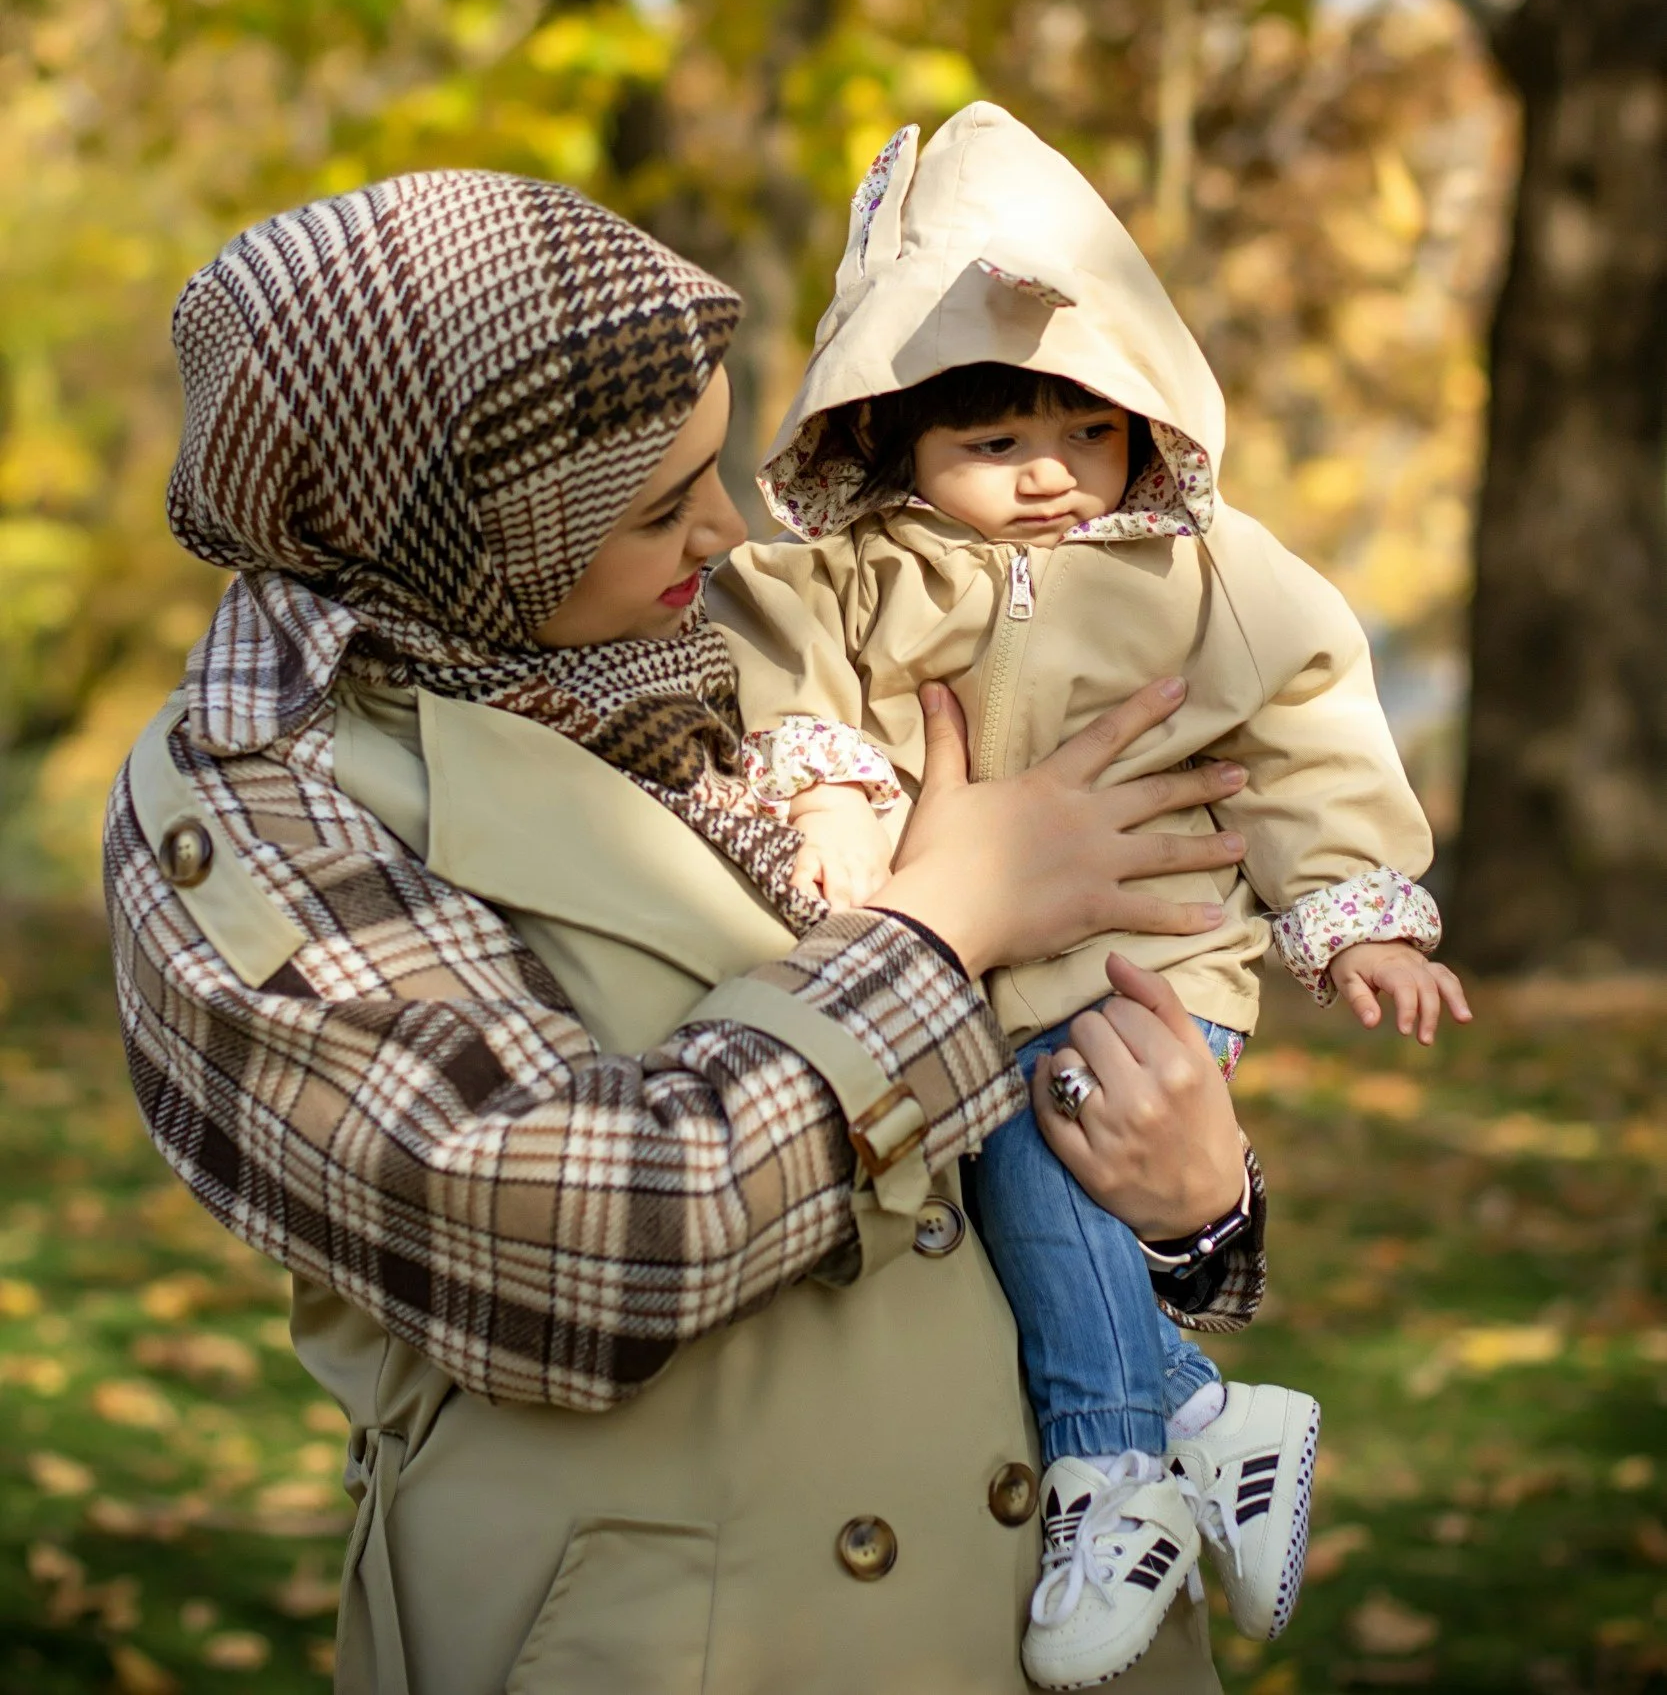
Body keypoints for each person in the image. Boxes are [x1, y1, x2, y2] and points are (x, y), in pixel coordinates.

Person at [104, 168, 1266, 1695]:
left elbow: (989, 1142)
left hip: (1033, 1627)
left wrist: (1197, 1214)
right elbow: (576, 1240)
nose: (725, 534)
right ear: (471, 521)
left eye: (714, 467)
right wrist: (940, 929)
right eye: (661, 502)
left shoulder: (705, 653)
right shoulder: (262, 806)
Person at [710, 103, 1472, 1687]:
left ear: (1144, 425)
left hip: (1155, 955)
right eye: (992, 445)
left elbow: (1311, 714)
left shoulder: (1210, 572)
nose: (1048, 477)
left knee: (1058, 1157)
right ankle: (1198, 1409)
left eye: (1085, 433)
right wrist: (836, 790)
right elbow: (794, 669)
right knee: (1008, 1179)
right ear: (891, 441)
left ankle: (1112, 1473)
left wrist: (1355, 900)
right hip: (963, 961)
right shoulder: (864, 571)